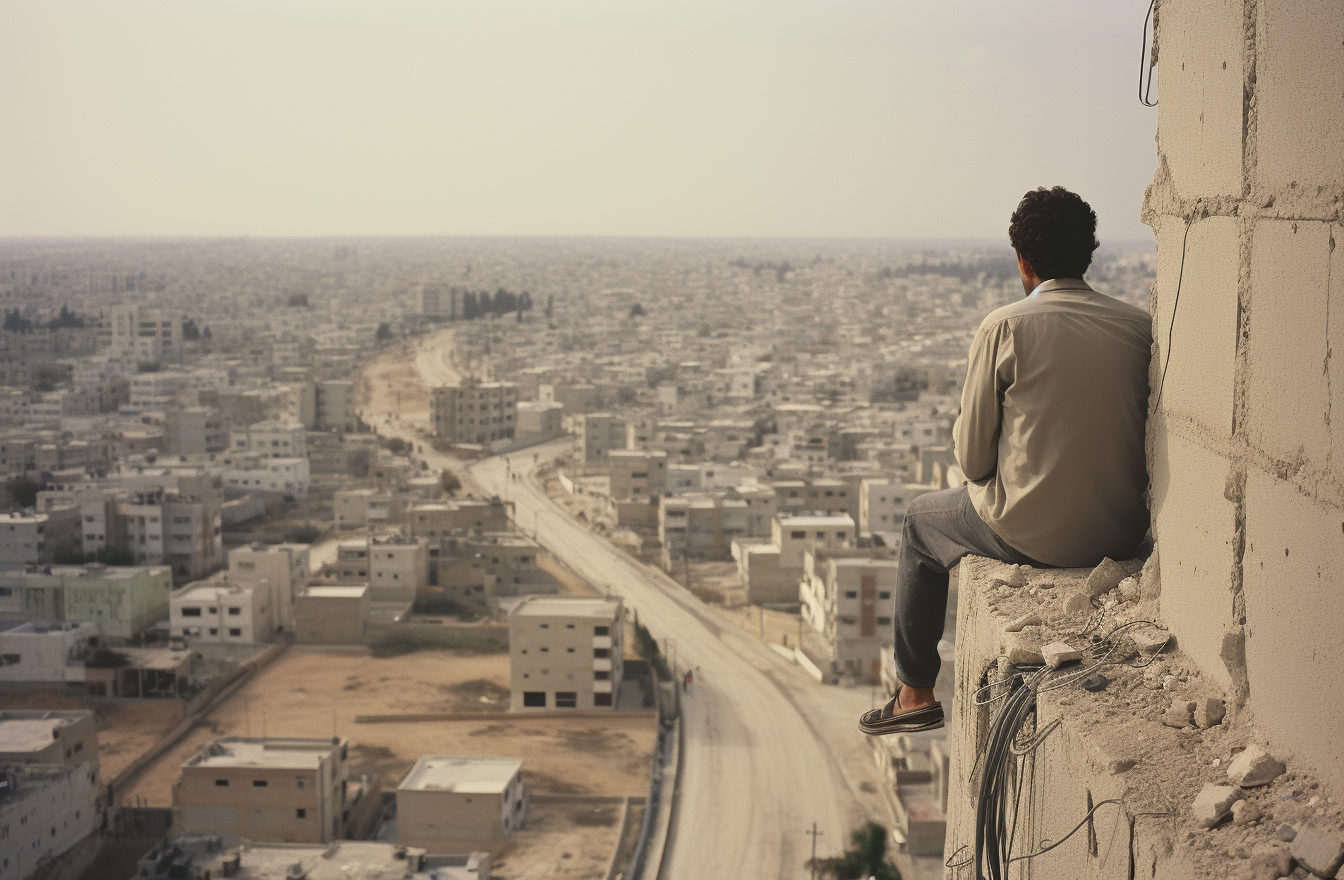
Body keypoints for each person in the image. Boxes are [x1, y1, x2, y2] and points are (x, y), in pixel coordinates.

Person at [859, 187, 1151, 736]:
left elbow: (971, 462)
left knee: (921, 522)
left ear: (1022, 258)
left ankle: (914, 690)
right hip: (1122, 534)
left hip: (1032, 535)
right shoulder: (1139, 328)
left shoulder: (1006, 327)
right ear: (1088, 254)